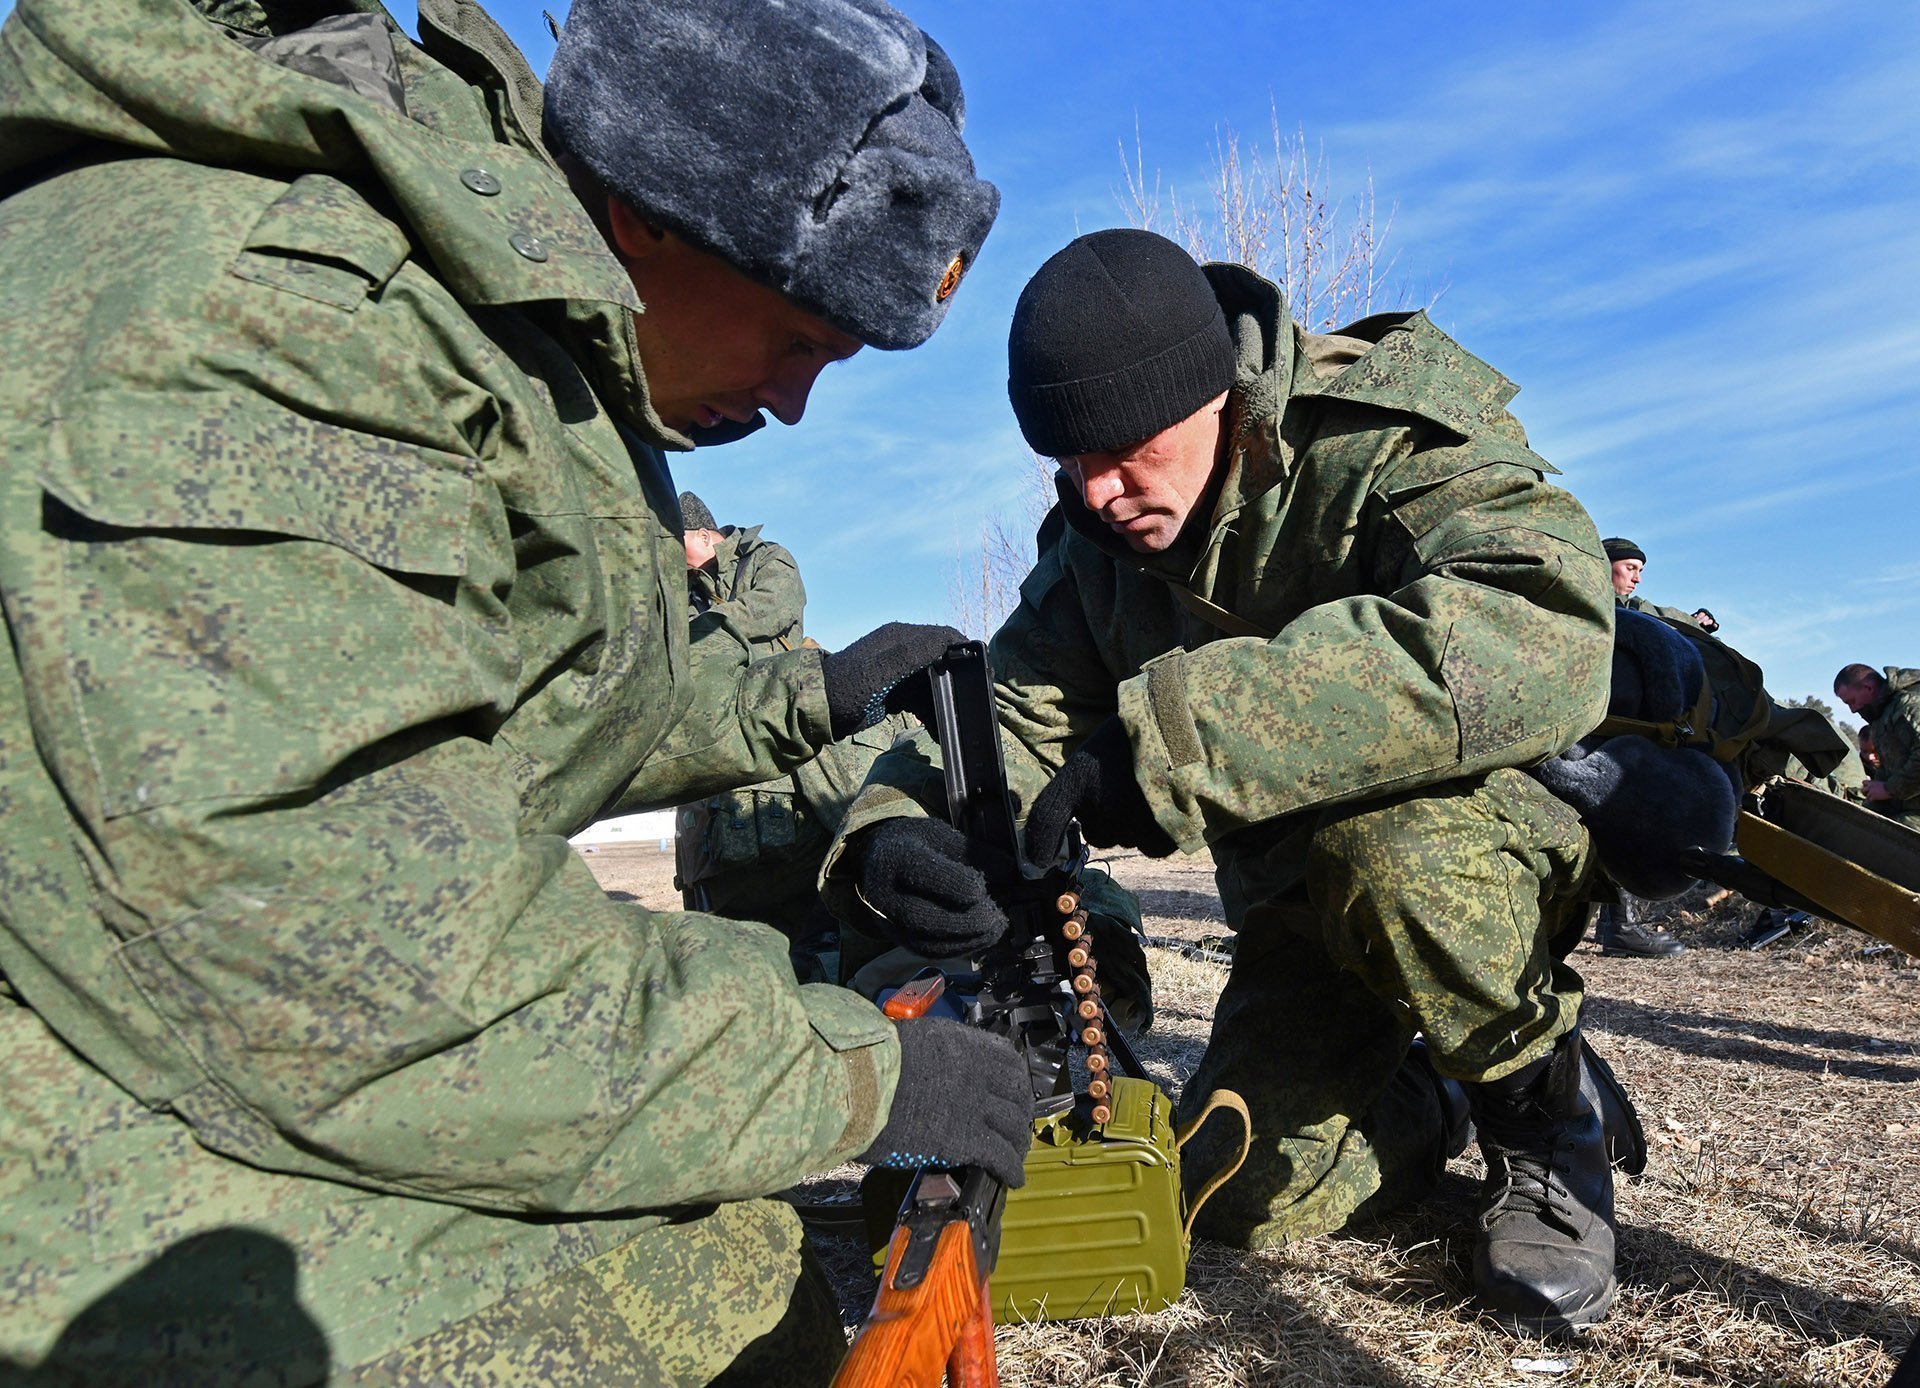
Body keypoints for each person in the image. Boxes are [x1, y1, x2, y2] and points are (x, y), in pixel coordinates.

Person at [0, 1, 1033, 1384]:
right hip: (90, 1096)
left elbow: (523, 688)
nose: (794, 407)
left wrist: (807, 698)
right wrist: (863, 1076)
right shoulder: (281, 318)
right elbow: (366, 966)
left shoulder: (522, 329)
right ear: (660, 215)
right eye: (801, 339)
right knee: (701, 1292)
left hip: (196, 998)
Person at [826, 229, 1643, 1333]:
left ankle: (1542, 1106)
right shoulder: (1091, 554)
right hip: (1303, 908)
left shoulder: (1379, 438)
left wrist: (1165, 744)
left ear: (1213, 392)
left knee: (1394, 851)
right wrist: (896, 829)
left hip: (1480, 857)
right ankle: (1436, 1087)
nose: (1099, 490)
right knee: (1236, 1194)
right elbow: (1015, 715)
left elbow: (1544, 627)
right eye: (1070, 462)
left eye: (1126, 450)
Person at [1834, 664, 1920, 830]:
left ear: (1868, 687)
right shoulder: (1883, 714)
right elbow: (1892, 762)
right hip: (1903, 802)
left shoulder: (1908, 706)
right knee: (1853, 825)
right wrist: (1875, 787)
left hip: (1913, 809)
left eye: (1852, 701)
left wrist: (1888, 789)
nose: (1852, 710)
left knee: (1886, 840)